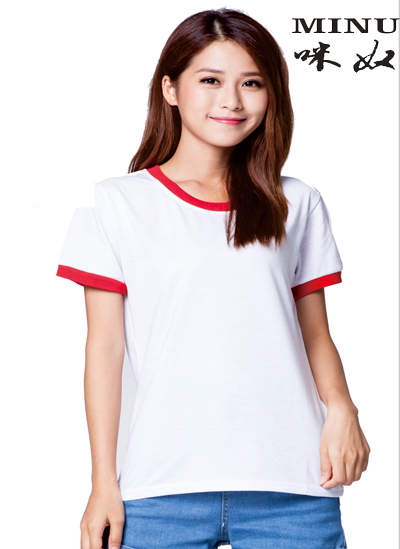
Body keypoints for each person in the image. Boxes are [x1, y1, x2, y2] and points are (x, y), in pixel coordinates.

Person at [56, 8, 371, 549]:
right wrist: (102, 482)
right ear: (170, 89)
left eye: (252, 83)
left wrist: (343, 409)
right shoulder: (115, 204)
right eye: (210, 80)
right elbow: (104, 347)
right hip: (158, 489)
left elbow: (315, 334)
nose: (232, 100)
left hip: (294, 486)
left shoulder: (297, 202)